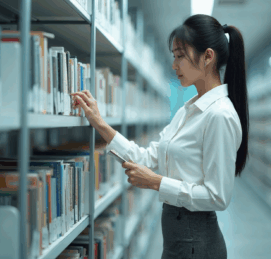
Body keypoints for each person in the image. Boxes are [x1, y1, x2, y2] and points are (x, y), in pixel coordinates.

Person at [71, 14, 249, 259]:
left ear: (208, 56)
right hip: (177, 237)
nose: (174, 65)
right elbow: (147, 158)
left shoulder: (219, 116)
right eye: (173, 57)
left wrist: (156, 182)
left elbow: (217, 197)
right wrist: (99, 123)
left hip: (197, 242)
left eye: (180, 56)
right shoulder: (188, 110)